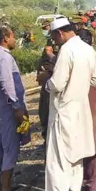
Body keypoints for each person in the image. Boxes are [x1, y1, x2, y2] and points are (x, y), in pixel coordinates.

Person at [41, 18, 96, 191]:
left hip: (64, 112)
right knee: (76, 158)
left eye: (54, 37)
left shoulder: (66, 50)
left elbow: (57, 84)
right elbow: (94, 80)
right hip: (81, 111)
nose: (54, 41)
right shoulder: (88, 50)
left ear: (60, 33)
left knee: (57, 165)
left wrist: (45, 84)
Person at [0, 26, 31, 191]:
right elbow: (7, 83)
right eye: (13, 36)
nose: (14, 40)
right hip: (7, 107)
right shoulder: (4, 57)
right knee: (10, 148)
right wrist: (17, 107)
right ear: (5, 38)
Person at [78, 29, 96, 191]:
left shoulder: (73, 59)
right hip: (92, 108)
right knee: (93, 147)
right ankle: (91, 184)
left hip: (76, 109)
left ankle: (75, 182)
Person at [36, 20, 58, 158]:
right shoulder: (50, 42)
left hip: (54, 82)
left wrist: (50, 56)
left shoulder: (66, 48)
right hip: (47, 81)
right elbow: (42, 60)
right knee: (44, 112)